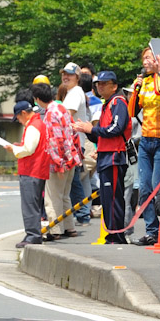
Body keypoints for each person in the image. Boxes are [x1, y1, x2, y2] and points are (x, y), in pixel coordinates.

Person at [73, 71, 132, 244]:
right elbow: (101, 135)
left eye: (104, 83)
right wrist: (86, 130)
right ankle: (112, 234)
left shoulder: (118, 102)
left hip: (114, 156)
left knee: (113, 198)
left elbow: (116, 128)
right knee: (108, 198)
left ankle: (117, 235)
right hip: (106, 155)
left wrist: (91, 129)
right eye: (98, 83)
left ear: (114, 86)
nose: (100, 86)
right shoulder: (108, 103)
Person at [128, 47, 160, 246]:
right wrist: (136, 89)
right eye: (144, 59)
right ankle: (152, 231)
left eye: (149, 57)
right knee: (144, 188)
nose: (146, 62)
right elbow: (133, 111)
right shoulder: (143, 82)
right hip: (146, 140)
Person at [31, 83, 82, 240]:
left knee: (53, 198)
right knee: (65, 196)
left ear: (37, 99)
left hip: (58, 161)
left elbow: (55, 140)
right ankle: (69, 227)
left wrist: (59, 163)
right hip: (71, 158)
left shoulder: (50, 113)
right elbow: (72, 133)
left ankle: (55, 230)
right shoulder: (62, 109)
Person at [5, 99, 50, 248]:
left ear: (23, 113)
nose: (18, 120)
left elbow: (29, 149)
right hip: (38, 169)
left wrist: (14, 149)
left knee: (29, 204)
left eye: (18, 117)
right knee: (34, 204)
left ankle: (32, 235)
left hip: (31, 169)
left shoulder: (32, 126)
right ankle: (33, 233)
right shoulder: (38, 123)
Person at [61, 62, 91, 226]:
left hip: (74, 143)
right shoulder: (73, 92)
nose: (65, 77)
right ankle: (81, 213)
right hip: (74, 142)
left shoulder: (75, 93)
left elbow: (66, 116)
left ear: (77, 77)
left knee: (73, 181)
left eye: (69, 74)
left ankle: (82, 214)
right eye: (64, 74)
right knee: (75, 180)